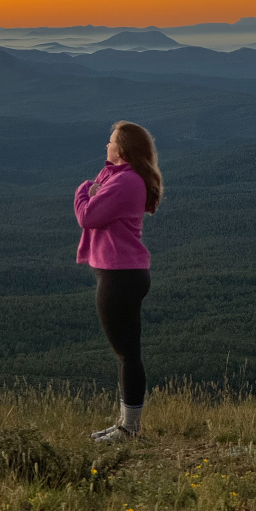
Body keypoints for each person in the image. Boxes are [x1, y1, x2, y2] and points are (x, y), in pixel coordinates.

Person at [74, 121, 163, 442]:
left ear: (122, 150)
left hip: (120, 277)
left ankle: (130, 430)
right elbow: (100, 195)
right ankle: (126, 425)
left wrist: (83, 189)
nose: (106, 146)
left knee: (128, 354)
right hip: (124, 274)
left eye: (111, 142)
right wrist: (95, 187)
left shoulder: (126, 182)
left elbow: (88, 216)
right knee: (127, 353)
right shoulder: (119, 177)